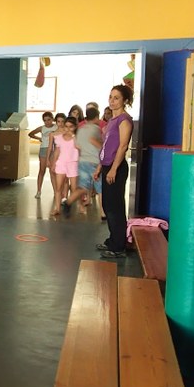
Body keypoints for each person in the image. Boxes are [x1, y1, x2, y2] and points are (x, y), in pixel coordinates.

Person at [93, 84, 134, 258]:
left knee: (115, 207)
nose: (112, 101)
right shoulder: (111, 121)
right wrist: (100, 167)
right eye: (111, 97)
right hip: (107, 166)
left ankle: (119, 247)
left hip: (116, 167)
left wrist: (114, 169)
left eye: (116, 98)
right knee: (107, 205)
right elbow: (106, 146)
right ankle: (113, 240)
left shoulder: (124, 120)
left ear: (125, 100)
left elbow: (123, 146)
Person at [65, 107, 104, 216]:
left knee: (83, 186)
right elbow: (97, 143)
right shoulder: (96, 129)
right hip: (95, 162)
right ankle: (103, 213)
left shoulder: (80, 129)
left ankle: (68, 201)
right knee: (100, 189)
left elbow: (77, 145)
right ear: (96, 117)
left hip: (82, 161)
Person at [50, 116, 80, 216]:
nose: (68, 129)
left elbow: (79, 148)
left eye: (71, 127)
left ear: (75, 127)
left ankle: (76, 205)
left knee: (74, 188)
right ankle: (57, 208)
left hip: (73, 163)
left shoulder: (77, 138)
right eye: (66, 126)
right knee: (59, 187)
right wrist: (53, 163)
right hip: (61, 163)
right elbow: (57, 151)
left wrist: (73, 136)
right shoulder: (59, 138)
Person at [28, 111, 57, 199]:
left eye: (49, 120)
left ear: (52, 119)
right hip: (44, 149)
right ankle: (38, 191)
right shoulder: (42, 128)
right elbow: (31, 134)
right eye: (45, 120)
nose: (47, 122)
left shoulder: (56, 127)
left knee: (52, 172)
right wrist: (39, 138)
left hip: (53, 149)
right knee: (42, 170)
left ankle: (56, 192)